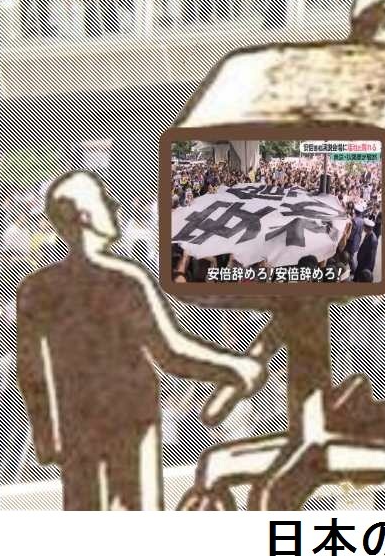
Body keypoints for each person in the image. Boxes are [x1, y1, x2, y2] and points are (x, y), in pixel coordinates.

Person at [16, 172, 264, 510]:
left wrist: (48, 436)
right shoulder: (126, 280)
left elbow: (33, 371)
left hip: (78, 422)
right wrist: (235, 367)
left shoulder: (35, 289)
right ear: (85, 216)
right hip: (129, 417)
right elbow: (171, 351)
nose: (114, 206)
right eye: (104, 200)